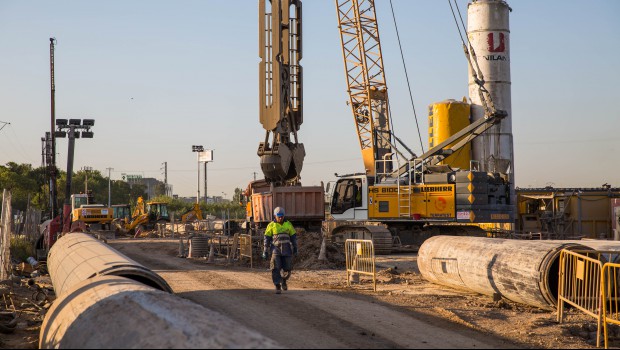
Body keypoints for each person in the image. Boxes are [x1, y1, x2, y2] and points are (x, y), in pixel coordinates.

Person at [262, 206, 298, 294]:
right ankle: (277, 286)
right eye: (279, 216)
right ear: (275, 216)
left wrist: (295, 248)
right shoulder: (271, 225)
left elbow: (293, 237)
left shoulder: (288, 224)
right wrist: (265, 250)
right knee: (275, 268)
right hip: (276, 251)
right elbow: (266, 238)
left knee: (287, 268)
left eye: (282, 216)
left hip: (287, 251)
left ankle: (284, 281)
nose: (280, 218)